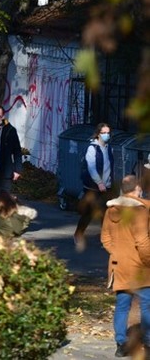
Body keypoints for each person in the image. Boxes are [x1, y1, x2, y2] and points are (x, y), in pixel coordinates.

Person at [101, 175, 150, 358]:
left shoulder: (111, 210)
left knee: (122, 306)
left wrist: (117, 253)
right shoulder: (140, 211)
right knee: (147, 306)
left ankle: (121, 344)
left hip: (119, 266)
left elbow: (105, 238)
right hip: (140, 268)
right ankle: (148, 342)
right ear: (137, 188)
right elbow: (143, 242)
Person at [75, 122, 116, 250]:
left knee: (105, 212)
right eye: (103, 133)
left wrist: (108, 183)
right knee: (88, 212)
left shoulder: (109, 148)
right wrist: (99, 182)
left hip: (107, 185)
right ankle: (78, 234)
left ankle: (104, 238)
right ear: (98, 134)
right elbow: (91, 168)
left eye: (108, 133)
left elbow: (110, 167)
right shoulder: (92, 148)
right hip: (93, 186)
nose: (106, 135)